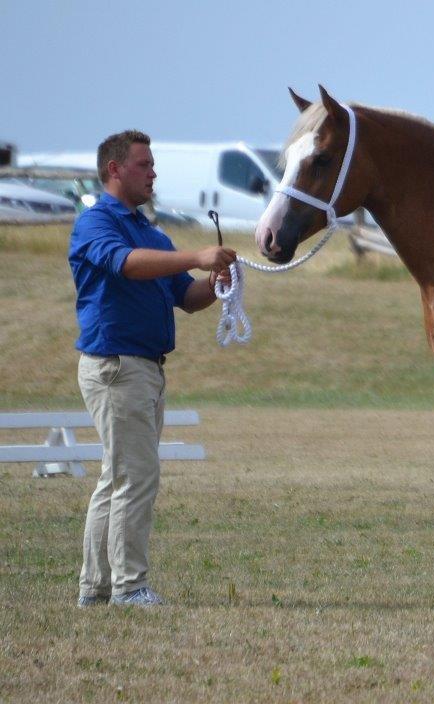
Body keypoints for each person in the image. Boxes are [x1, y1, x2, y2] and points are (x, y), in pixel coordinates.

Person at [69, 130, 236, 607]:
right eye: (144, 164)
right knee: (135, 476)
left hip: (141, 369)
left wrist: (216, 281)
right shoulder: (95, 223)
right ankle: (129, 587)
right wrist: (197, 254)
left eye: (152, 164)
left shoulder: (152, 233)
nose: (153, 172)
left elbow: (185, 296)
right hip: (116, 367)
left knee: (118, 476)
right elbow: (126, 265)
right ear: (114, 170)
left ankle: (97, 588)